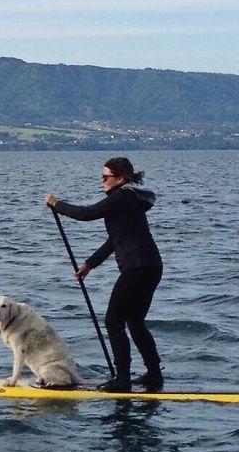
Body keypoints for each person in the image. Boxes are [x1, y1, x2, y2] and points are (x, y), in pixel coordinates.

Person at [45, 157, 164, 392]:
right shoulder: (131, 198)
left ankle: (122, 381)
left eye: (106, 177)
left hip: (137, 268)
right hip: (150, 266)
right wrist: (90, 264)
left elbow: (86, 213)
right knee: (135, 321)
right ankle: (153, 375)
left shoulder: (123, 196)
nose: (102, 182)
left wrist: (57, 204)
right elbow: (115, 240)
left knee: (114, 321)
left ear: (120, 178)